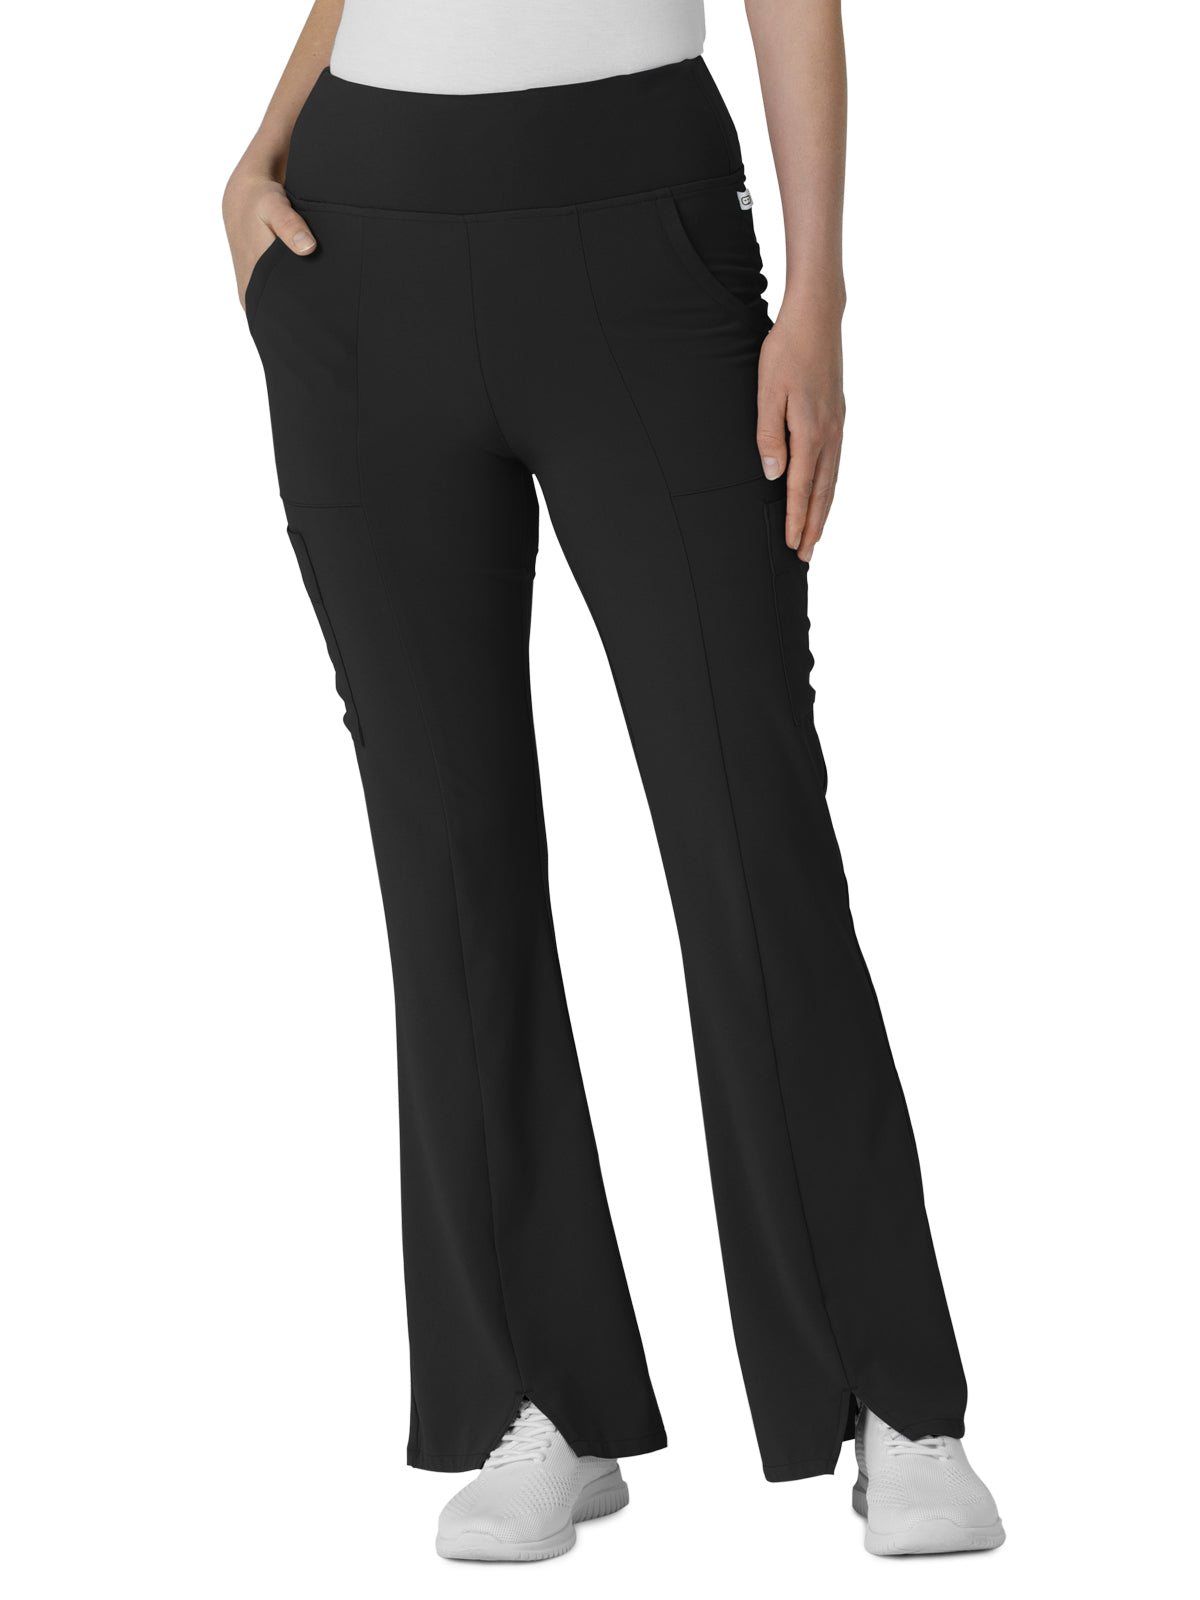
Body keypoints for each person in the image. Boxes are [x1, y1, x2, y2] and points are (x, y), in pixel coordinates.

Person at [223, 0, 1004, 1562]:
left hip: (639, 224)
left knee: (747, 827)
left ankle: (892, 1396)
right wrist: (262, 152)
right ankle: (534, 1394)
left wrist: (818, 293)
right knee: (448, 861)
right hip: (358, 233)